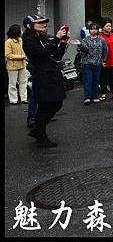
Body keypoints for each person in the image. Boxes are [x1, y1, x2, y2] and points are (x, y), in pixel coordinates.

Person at [22, 14, 69, 148]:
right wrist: (56, 39)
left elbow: (56, 55)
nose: (44, 25)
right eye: (40, 23)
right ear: (29, 26)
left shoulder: (44, 38)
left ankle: (38, 129)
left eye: (45, 22)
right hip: (42, 76)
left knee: (57, 103)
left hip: (53, 74)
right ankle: (41, 136)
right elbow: (42, 54)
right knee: (45, 106)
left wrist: (63, 43)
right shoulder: (28, 40)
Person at [79, 23, 108, 104]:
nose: (93, 30)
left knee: (96, 80)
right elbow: (85, 50)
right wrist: (79, 45)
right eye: (92, 29)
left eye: (95, 29)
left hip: (98, 63)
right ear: (89, 30)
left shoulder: (101, 40)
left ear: (98, 30)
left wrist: (103, 60)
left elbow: (105, 51)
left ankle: (94, 96)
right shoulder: (85, 40)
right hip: (87, 63)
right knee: (88, 80)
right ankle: (87, 97)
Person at [98, 19, 113, 100]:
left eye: (110, 26)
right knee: (103, 78)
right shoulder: (99, 37)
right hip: (105, 61)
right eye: (107, 26)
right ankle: (103, 93)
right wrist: (101, 60)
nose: (109, 28)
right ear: (103, 27)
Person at [5, 24, 28, 105]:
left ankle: (24, 98)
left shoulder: (21, 40)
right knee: (12, 83)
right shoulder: (8, 42)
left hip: (22, 65)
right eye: (20, 30)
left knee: (24, 82)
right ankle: (13, 100)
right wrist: (22, 57)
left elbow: (24, 50)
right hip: (12, 66)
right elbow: (8, 55)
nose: (21, 31)